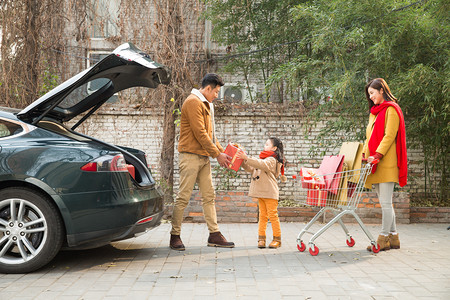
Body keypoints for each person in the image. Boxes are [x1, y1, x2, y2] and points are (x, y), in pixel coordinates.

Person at [170, 73, 234, 251]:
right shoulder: (193, 102)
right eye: (216, 92)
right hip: (190, 156)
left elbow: (211, 136)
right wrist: (217, 155)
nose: (216, 96)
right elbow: (200, 134)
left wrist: (224, 152)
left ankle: (214, 234)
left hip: (204, 157)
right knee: (183, 196)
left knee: (209, 196)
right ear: (207, 89)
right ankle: (174, 236)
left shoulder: (207, 104)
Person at [362, 78, 407, 252]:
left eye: (372, 93)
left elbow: (389, 136)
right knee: (385, 202)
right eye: (369, 95)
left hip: (386, 162)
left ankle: (383, 238)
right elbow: (369, 137)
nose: (371, 97)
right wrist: (365, 155)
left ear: (381, 90)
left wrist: (378, 154)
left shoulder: (391, 110)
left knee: (386, 203)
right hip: (375, 162)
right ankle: (394, 238)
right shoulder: (374, 112)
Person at [236, 137, 287, 249]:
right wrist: (242, 161)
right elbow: (252, 168)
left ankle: (277, 239)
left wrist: (247, 158)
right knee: (262, 216)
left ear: (274, 148)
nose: (264, 146)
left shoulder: (272, 160)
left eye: (267, 144)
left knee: (273, 215)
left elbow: (262, 164)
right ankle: (261, 239)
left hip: (270, 192)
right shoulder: (263, 159)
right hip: (262, 193)